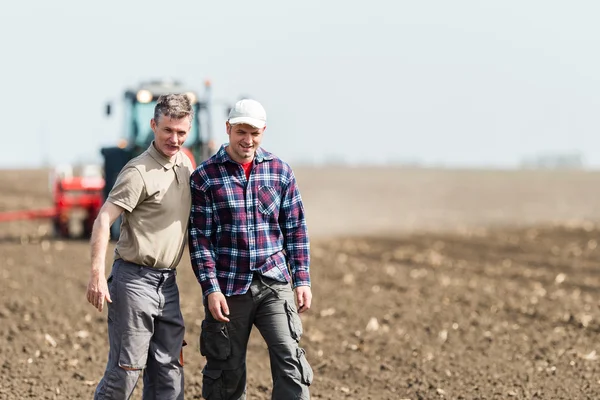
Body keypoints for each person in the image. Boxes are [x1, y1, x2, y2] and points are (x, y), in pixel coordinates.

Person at [188, 98, 314, 399]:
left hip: (274, 283)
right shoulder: (205, 177)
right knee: (225, 373)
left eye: (254, 133)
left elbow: (296, 229)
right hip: (230, 289)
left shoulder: (280, 172)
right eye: (241, 132)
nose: (247, 140)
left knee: (291, 363)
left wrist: (302, 279)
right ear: (228, 129)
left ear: (263, 132)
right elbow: (200, 240)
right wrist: (211, 290)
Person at [85, 94, 195, 399]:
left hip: (167, 284)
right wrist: (96, 275)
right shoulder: (137, 172)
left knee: (168, 374)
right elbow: (103, 219)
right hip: (134, 282)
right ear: (153, 125)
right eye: (167, 131)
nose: (174, 139)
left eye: (181, 133)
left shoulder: (185, 163)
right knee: (126, 372)